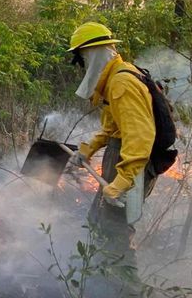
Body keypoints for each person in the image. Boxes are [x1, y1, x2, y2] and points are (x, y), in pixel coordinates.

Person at [66, 22, 157, 264]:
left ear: (92, 55)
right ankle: (100, 282)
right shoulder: (115, 79)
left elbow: (140, 136)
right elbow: (112, 128)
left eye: (81, 60)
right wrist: (88, 150)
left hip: (132, 168)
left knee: (113, 234)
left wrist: (122, 182)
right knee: (98, 222)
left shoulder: (122, 83)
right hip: (122, 161)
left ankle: (128, 297)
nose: (81, 68)